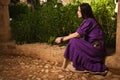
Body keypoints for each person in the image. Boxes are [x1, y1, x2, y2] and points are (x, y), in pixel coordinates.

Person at [55, 3, 108, 74]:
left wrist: (62, 39)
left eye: (79, 11)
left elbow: (77, 34)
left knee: (73, 41)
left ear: (84, 12)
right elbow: (78, 34)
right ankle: (64, 66)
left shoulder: (89, 21)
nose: (77, 12)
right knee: (74, 41)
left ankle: (64, 66)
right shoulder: (88, 20)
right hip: (94, 47)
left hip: (96, 49)